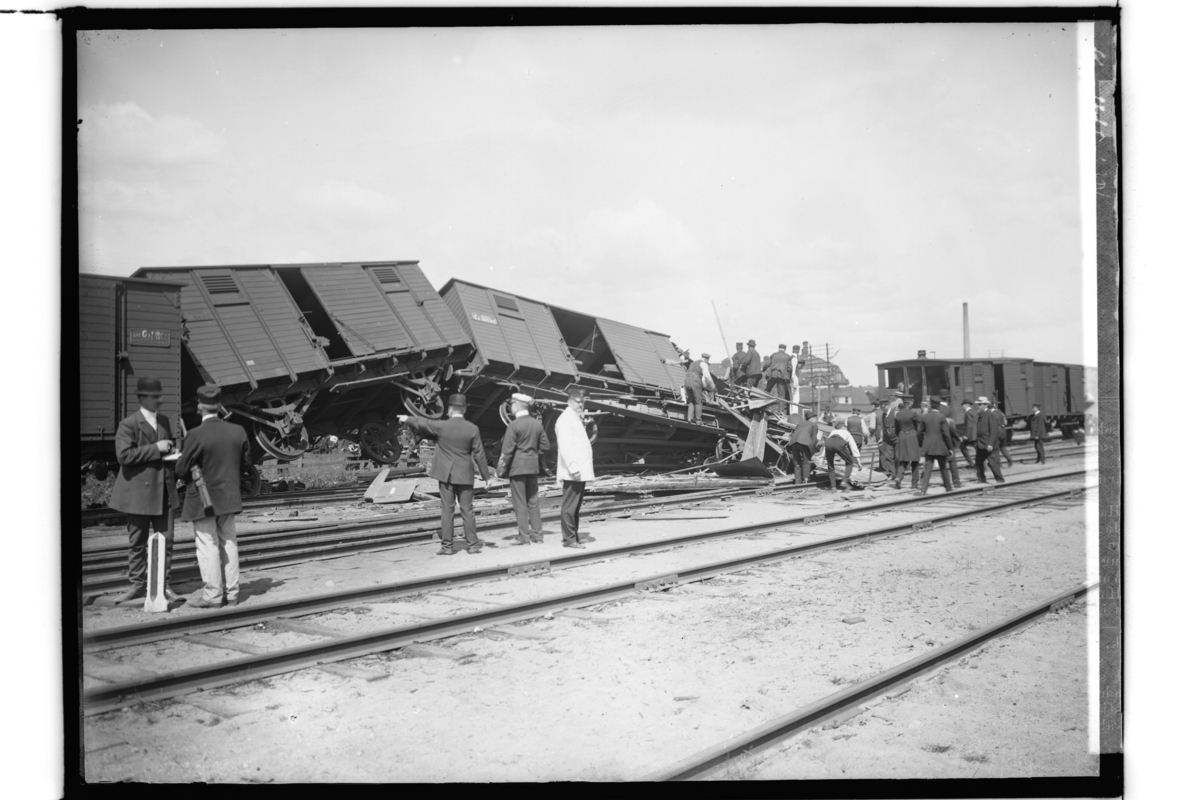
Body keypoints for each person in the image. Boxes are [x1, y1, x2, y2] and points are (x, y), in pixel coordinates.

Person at [176, 385, 253, 608]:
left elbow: (181, 470)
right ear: (219, 406)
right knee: (229, 542)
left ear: (199, 406)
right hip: (228, 497)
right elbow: (246, 464)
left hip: (203, 499)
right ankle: (233, 594)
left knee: (207, 545)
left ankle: (213, 596)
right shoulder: (238, 431)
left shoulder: (195, 434)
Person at [109, 377, 182, 605]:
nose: (158, 400)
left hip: (164, 492)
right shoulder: (128, 424)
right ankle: (138, 585)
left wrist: (173, 453)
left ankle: (163, 585)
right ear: (142, 398)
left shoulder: (164, 421)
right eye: (153, 397)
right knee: (137, 542)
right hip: (138, 494)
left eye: (159, 396)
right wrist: (156, 448)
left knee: (166, 541)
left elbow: (164, 451)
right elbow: (124, 456)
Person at [399, 394, 493, 555]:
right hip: (465, 475)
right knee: (467, 510)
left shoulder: (442, 426)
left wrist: (407, 418)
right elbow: (479, 454)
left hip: (446, 475)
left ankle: (447, 547)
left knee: (447, 511)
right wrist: (487, 477)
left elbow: (423, 423)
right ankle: (472, 545)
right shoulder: (472, 429)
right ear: (464, 410)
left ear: (450, 409)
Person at [497, 393, 551, 545]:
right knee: (533, 502)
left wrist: (500, 470)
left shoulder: (514, 425)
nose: (511, 408)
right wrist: (533, 455)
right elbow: (546, 446)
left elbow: (507, 451)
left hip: (517, 469)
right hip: (532, 468)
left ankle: (524, 537)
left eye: (512, 405)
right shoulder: (537, 424)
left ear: (517, 405)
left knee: (520, 503)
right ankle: (538, 537)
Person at [556, 386, 595, 548]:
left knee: (575, 506)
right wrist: (574, 468)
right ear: (570, 401)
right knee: (569, 507)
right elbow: (566, 446)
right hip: (573, 471)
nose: (581, 405)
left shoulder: (574, 418)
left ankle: (574, 536)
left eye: (582, 402)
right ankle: (569, 539)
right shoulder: (565, 419)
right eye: (578, 402)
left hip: (578, 471)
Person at [917, 397, 955, 494]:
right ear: (939, 406)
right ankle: (948, 488)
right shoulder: (942, 417)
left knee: (927, 468)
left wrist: (923, 444)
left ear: (930, 405)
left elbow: (919, 433)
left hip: (928, 447)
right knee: (943, 468)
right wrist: (950, 448)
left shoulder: (924, 417)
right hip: (940, 447)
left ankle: (923, 490)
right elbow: (946, 434)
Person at [891, 394, 922, 490]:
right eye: (912, 402)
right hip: (912, 437)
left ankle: (899, 477)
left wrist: (901, 435)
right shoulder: (913, 414)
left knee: (903, 460)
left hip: (902, 436)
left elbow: (896, 430)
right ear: (910, 403)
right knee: (915, 460)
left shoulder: (898, 414)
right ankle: (914, 483)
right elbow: (922, 424)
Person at [973, 396, 1006, 483]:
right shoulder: (981, 415)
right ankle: (981, 479)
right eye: (978, 404)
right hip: (981, 443)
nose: (978, 406)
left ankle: (1000, 480)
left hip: (988, 444)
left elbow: (993, 431)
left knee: (993, 463)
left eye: (980, 404)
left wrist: (991, 444)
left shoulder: (991, 415)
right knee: (978, 462)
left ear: (985, 405)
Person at [824, 420, 862, 491]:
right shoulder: (846, 432)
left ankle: (833, 487)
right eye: (846, 427)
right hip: (839, 442)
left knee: (830, 465)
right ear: (843, 427)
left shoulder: (832, 432)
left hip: (828, 443)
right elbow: (853, 446)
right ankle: (844, 481)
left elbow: (828, 443)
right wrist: (858, 460)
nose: (847, 428)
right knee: (849, 462)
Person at [787, 409, 820, 485]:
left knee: (797, 464)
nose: (816, 419)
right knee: (806, 462)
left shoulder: (800, 424)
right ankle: (806, 482)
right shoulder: (814, 425)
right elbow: (814, 439)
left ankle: (797, 482)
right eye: (815, 418)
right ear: (812, 418)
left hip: (793, 443)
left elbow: (794, 434)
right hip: (804, 442)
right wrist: (813, 450)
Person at [684, 352, 716, 424]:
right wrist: (713, 386)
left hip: (687, 381)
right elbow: (707, 377)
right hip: (695, 381)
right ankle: (698, 420)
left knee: (691, 400)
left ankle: (689, 418)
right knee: (698, 401)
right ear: (707, 360)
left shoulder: (693, 363)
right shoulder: (703, 364)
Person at [878, 393, 903, 480]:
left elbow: (901, 424)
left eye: (884, 406)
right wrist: (881, 438)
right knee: (889, 457)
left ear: (888, 405)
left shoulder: (895, 413)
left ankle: (899, 474)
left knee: (898, 456)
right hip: (888, 439)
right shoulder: (883, 415)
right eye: (881, 406)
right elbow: (883, 427)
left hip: (896, 437)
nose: (882, 407)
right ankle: (893, 473)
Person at [991, 401, 1015, 467]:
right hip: (1003, 431)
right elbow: (1006, 422)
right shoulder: (1001, 413)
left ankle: (999, 464)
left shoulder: (991, 413)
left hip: (997, 431)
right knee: (1003, 447)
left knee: (995, 448)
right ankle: (1010, 460)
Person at [959, 400, 977, 468]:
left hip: (971, 435)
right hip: (975, 434)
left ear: (966, 405)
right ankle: (982, 466)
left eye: (962, 405)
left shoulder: (968, 413)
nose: (962, 407)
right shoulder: (973, 411)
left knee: (962, 446)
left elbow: (969, 425)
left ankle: (971, 463)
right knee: (978, 450)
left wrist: (966, 435)